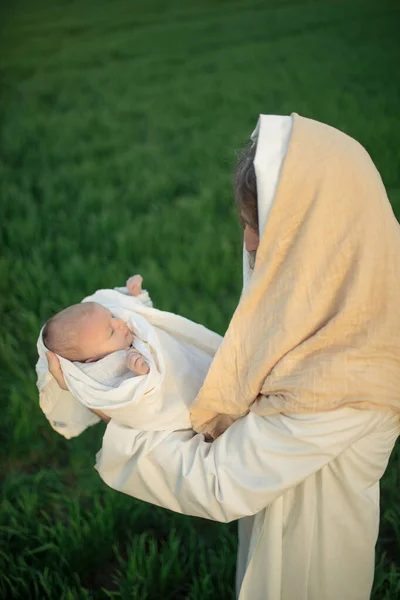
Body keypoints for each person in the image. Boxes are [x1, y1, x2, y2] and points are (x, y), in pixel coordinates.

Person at [45, 113, 400, 600]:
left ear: (319, 235)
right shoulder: (332, 292)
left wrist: (115, 411)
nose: (250, 243)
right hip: (275, 503)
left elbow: (222, 480)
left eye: (262, 227)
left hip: (314, 553)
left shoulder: (347, 375)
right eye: (245, 224)